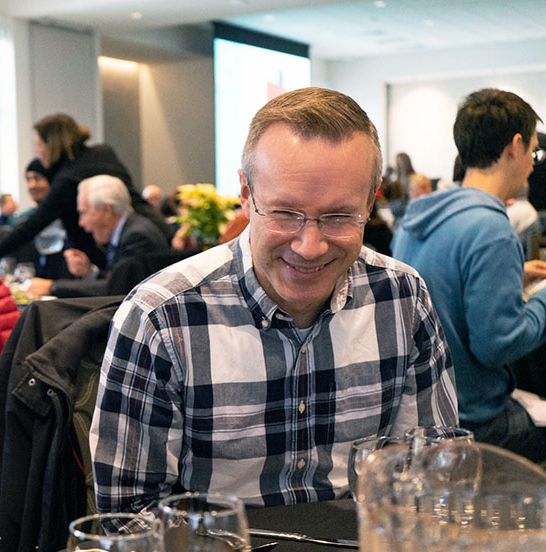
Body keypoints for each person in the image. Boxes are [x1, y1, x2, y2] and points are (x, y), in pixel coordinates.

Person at [91, 87, 457, 510]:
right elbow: (128, 512)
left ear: (371, 201)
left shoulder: (402, 297)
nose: (309, 246)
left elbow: (432, 472)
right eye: (285, 213)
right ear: (246, 195)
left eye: (338, 217)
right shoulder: (161, 318)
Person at [392, 88, 546, 462]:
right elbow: (498, 344)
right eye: (533, 151)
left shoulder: (418, 218)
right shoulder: (490, 227)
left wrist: (513, 275)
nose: (532, 164)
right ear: (515, 145)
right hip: (471, 421)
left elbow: (443, 288)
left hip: (419, 412)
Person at [0, 113, 169, 270]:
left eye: (38, 144)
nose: (37, 151)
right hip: (154, 226)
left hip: (131, 246)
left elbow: (30, 227)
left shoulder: (68, 179)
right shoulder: (102, 152)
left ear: (51, 145)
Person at [28, 174, 170, 297]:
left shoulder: (137, 237)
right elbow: (118, 281)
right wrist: (90, 272)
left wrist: (53, 287)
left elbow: (119, 290)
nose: (81, 223)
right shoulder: (127, 231)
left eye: (84, 213)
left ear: (106, 210)